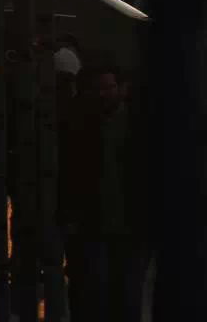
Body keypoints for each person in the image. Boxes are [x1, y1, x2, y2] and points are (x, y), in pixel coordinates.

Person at [60, 63, 147, 322]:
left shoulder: (135, 124)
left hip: (128, 227)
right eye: (96, 88)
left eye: (108, 87)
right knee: (91, 296)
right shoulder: (72, 125)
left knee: (125, 297)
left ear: (120, 88)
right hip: (90, 227)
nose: (103, 94)